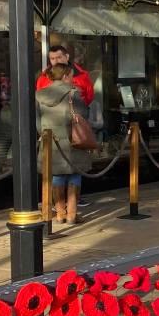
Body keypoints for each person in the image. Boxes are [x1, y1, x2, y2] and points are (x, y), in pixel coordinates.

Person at [36, 63, 91, 224]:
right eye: (71, 75)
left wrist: (44, 134)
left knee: (57, 175)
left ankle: (60, 213)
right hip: (71, 140)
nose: (73, 78)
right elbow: (83, 115)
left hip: (50, 140)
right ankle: (72, 214)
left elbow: (37, 121)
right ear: (65, 76)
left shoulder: (39, 95)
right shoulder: (73, 94)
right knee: (74, 174)